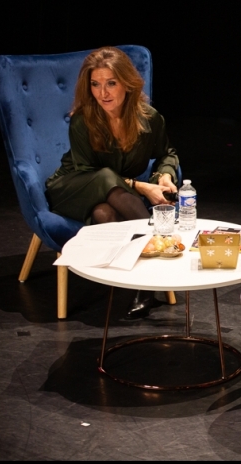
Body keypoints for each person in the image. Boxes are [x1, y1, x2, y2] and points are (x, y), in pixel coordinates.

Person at [45, 46, 179, 320]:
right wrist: (142, 187)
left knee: (104, 212)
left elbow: (167, 153)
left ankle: (133, 282)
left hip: (112, 197)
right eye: (95, 84)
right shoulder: (83, 120)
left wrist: (164, 175)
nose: (102, 93)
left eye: (110, 83)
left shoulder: (149, 119)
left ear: (127, 84)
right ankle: (153, 270)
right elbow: (88, 172)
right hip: (71, 188)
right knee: (106, 177)